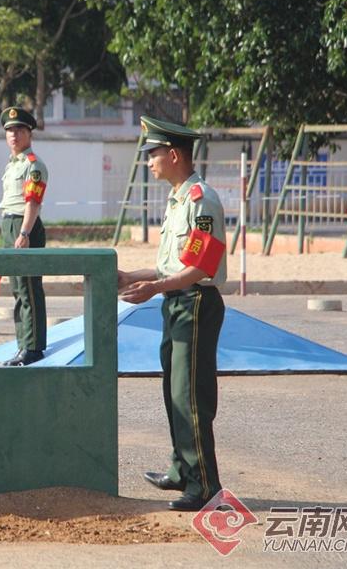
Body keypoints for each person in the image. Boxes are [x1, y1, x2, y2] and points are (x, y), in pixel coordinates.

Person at [117, 115, 227, 512]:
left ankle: (205, 486)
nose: (149, 161)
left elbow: (201, 268)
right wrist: (133, 276)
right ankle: (182, 469)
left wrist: (154, 289)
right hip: (177, 301)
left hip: (195, 303)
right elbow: (173, 266)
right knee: (173, 392)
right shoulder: (179, 199)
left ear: (174, 154)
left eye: (154, 153)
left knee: (190, 396)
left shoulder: (201, 199)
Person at [0, 107, 47, 366]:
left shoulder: (33, 166)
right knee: (17, 288)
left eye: (19, 130)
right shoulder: (12, 164)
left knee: (28, 288)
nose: (13, 135)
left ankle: (33, 347)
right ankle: (22, 345)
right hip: (9, 224)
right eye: (9, 130)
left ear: (29, 133)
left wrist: (25, 232)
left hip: (24, 225)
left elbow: (32, 202)